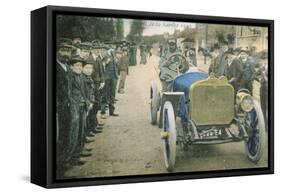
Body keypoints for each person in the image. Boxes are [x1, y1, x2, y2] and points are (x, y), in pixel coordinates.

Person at [68, 54, 92, 166]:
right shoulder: (70, 77)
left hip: (83, 105)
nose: (78, 67)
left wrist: (87, 102)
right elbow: (69, 94)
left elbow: (84, 91)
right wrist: (74, 103)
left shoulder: (81, 77)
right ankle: (72, 157)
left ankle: (79, 151)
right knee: (74, 132)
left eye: (80, 66)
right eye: (76, 65)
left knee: (82, 130)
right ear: (71, 67)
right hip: (75, 106)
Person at [56, 39, 73, 174]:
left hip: (68, 106)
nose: (66, 54)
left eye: (68, 51)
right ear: (57, 51)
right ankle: (58, 167)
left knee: (66, 133)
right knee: (59, 136)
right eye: (63, 50)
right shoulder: (54, 68)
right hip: (58, 108)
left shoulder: (67, 67)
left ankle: (65, 160)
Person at [101, 49, 119, 117]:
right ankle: (103, 110)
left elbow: (115, 66)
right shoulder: (105, 56)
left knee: (112, 94)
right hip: (107, 78)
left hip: (113, 77)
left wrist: (116, 75)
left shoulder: (113, 56)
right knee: (105, 94)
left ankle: (111, 111)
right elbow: (103, 65)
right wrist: (106, 61)